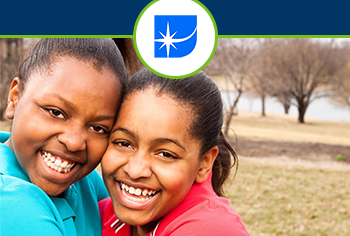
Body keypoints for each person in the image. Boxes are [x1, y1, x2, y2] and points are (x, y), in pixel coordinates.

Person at [0, 38, 138, 235]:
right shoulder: (11, 205)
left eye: (98, 128)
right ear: (15, 98)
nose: (74, 143)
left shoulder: (84, 182)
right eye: (55, 112)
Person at [99, 69, 250, 236]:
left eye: (165, 154)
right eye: (124, 143)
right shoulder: (102, 213)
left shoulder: (211, 229)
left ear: (204, 163)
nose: (135, 171)